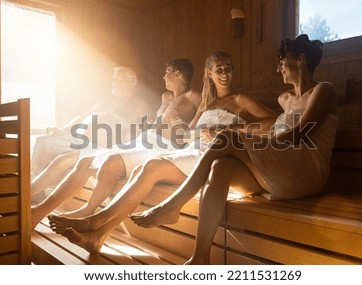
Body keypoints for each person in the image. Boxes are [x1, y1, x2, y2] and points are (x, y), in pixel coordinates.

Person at [129, 34, 339, 264]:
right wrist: (247, 140)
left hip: (305, 170)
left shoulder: (323, 91)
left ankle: (174, 205)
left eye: (283, 60)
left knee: (226, 136)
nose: (279, 68)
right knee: (221, 168)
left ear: (300, 59)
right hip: (281, 167)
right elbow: (273, 133)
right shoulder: (284, 100)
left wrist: (240, 137)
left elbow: (299, 134)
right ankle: (200, 258)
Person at [46, 51, 277, 255]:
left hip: (211, 157)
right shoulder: (208, 104)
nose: (225, 73)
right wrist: (182, 129)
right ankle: (98, 236)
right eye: (219, 69)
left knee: (151, 167)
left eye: (229, 68)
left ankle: (95, 220)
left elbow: (272, 122)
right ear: (209, 73)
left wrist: (227, 130)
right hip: (192, 150)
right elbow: (188, 135)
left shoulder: (241, 99)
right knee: (141, 168)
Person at [31, 58, 202, 229]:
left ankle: (87, 211)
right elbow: (156, 124)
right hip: (144, 139)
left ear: (177, 74)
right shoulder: (166, 97)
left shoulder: (194, 96)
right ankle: (38, 211)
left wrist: (183, 129)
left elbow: (201, 127)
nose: (164, 77)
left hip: (163, 147)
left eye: (167, 72)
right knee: (84, 162)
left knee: (108, 162)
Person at [30, 66, 149, 203]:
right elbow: (82, 117)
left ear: (130, 82)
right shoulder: (106, 101)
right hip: (78, 140)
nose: (112, 83)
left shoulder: (138, 105)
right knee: (43, 141)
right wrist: (62, 130)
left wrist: (126, 145)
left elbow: (143, 130)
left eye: (116, 80)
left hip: (99, 147)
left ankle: (33, 192)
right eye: (113, 79)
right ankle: (35, 186)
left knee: (56, 154)